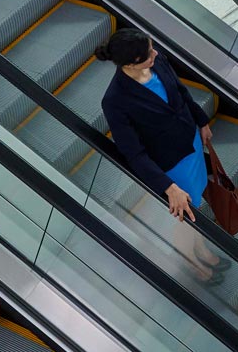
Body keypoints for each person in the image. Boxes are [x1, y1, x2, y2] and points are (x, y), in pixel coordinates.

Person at [97, 26, 226, 281]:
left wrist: (201, 121)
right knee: (186, 215)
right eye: (148, 53)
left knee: (197, 203)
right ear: (132, 64)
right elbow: (134, 154)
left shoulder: (159, 60)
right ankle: (190, 260)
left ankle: (199, 247)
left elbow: (181, 92)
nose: (155, 53)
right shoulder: (115, 100)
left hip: (191, 147)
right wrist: (168, 187)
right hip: (171, 164)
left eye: (152, 47)